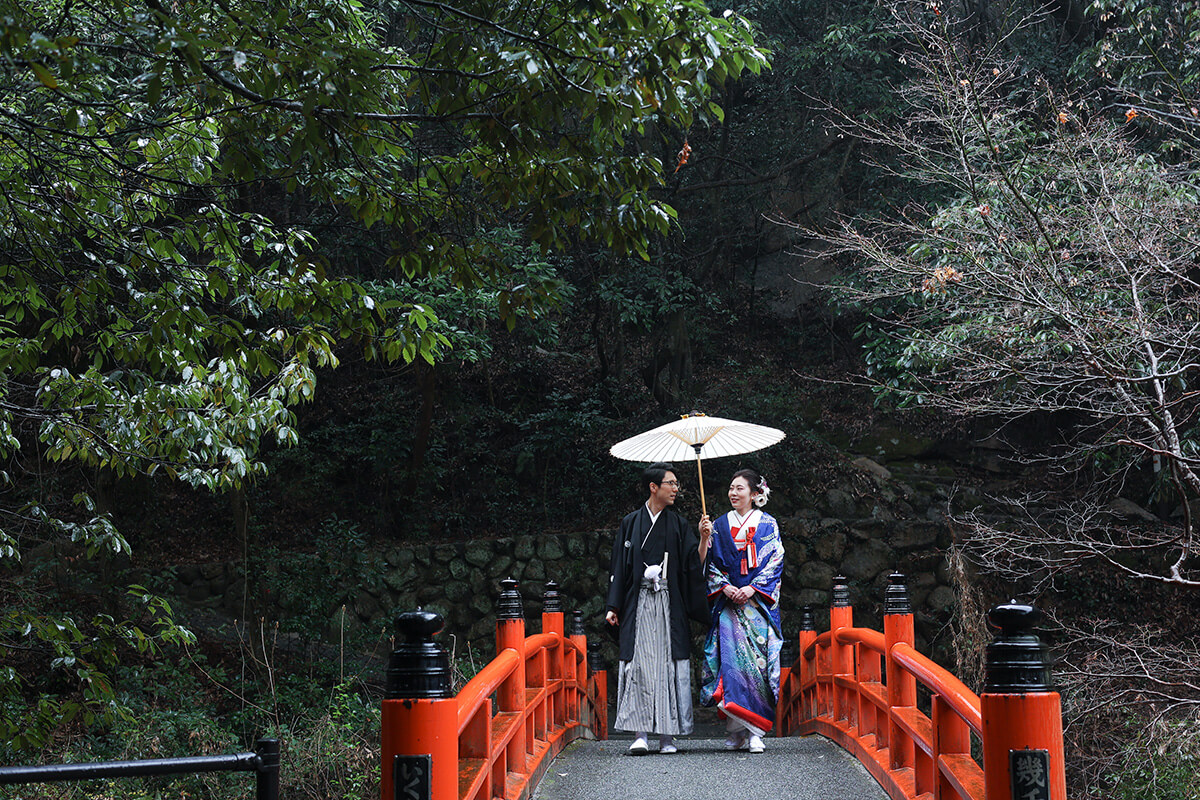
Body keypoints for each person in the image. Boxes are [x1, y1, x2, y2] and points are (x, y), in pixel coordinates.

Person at [605, 462, 709, 755]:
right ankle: (640, 734)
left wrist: (703, 539)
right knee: (639, 663)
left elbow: (693, 566)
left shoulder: (677, 524)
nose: (676, 489)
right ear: (654, 487)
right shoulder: (631, 522)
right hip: (638, 603)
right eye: (671, 483)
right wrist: (613, 606)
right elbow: (618, 567)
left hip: (667, 602)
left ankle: (667, 736)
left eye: (676, 484)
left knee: (666, 665)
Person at [697, 468, 784, 754]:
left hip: (757, 605)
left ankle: (756, 731)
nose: (733, 493)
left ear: (755, 493)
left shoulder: (768, 524)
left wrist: (752, 589)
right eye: (731, 488)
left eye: (740, 489)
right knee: (732, 667)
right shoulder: (719, 525)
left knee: (758, 666)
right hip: (729, 604)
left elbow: (775, 562)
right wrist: (724, 587)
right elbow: (710, 564)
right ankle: (735, 730)